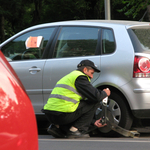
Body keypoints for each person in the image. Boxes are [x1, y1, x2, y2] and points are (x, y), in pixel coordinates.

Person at [42, 59, 111, 138]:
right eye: (91, 73)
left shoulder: (70, 76)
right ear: (85, 70)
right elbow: (96, 96)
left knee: (78, 104)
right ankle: (76, 130)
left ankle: (57, 127)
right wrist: (105, 93)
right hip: (63, 115)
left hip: (50, 115)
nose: (92, 77)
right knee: (94, 102)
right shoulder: (80, 78)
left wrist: (93, 122)